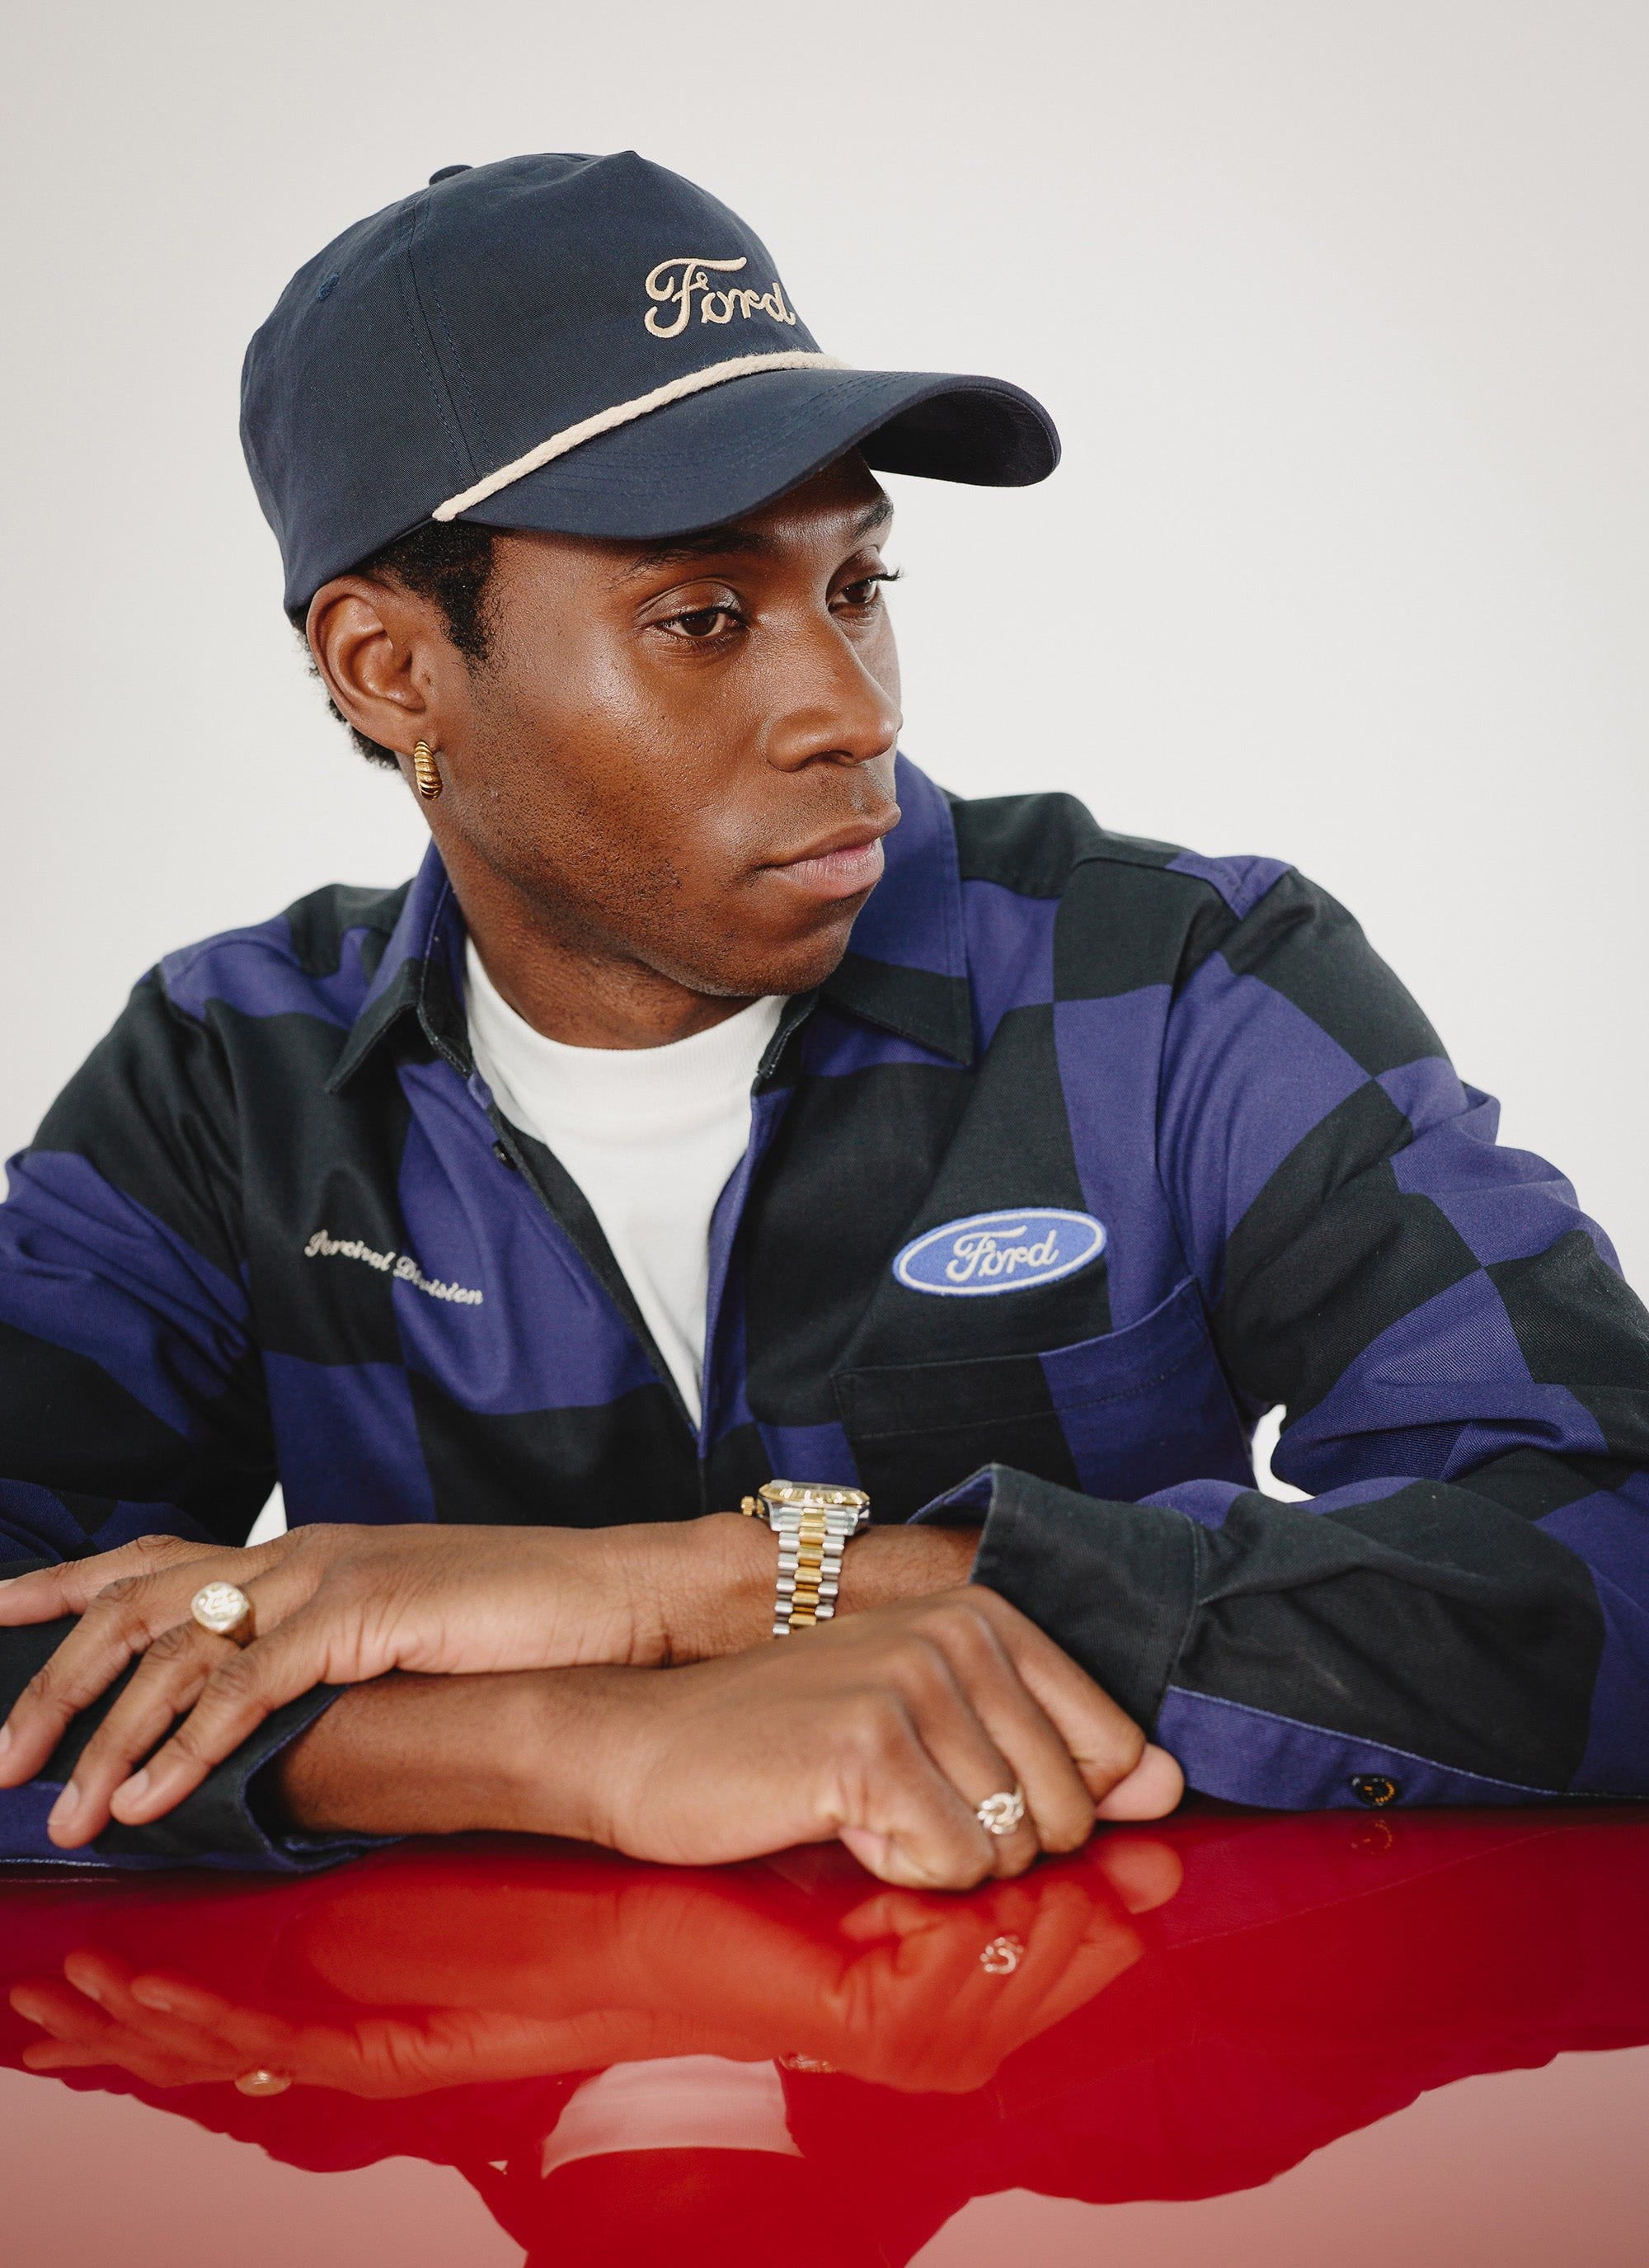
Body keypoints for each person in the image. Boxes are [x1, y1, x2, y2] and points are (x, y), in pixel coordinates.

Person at [0, 152, 1644, 1886]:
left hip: (1062, 2118)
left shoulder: (1172, 980)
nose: (850, 713)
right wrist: (569, 1740)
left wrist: (686, 1591)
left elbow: (1612, 1551)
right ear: (393, 669)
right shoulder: (224, 1076)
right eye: (703, 618)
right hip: (459, 2118)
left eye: (857, 587)